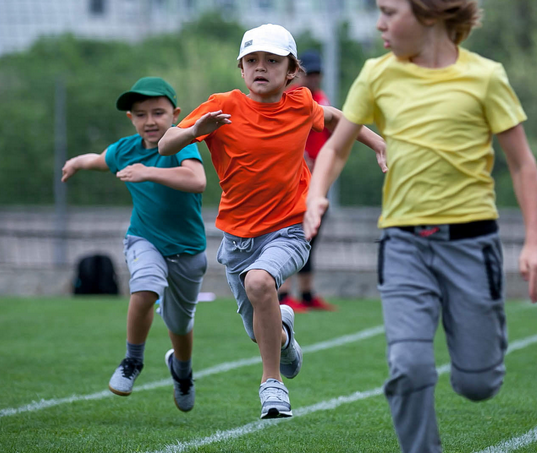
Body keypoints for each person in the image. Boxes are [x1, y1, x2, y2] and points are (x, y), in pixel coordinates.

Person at [303, 0, 537, 451]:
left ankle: (483, 350)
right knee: (409, 367)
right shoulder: (377, 74)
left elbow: (523, 164)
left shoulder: (485, 77)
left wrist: (536, 241)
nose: (380, 24)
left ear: (430, 13)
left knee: (478, 384)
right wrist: (316, 194)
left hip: (472, 245)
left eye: (390, 13)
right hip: (403, 245)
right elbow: (335, 148)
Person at [158, 24, 387, 419]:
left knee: (260, 282)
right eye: (252, 61)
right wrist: (196, 130)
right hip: (238, 240)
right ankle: (283, 338)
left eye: (271, 61)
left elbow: (334, 119)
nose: (260, 67)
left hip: (291, 228)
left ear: (291, 71)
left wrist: (379, 143)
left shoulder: (300, 105)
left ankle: (272, 386)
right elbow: (165, 144)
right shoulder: (223, 105)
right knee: (258, 329)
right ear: (242, 69)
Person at [61, 77, 208, 412]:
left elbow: (197, 180)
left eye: (158, 112)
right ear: (131, 119)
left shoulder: (181, 143)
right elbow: (98, 159)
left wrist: (149, 172)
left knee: (180, 324)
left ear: (175, 114)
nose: (150, 121)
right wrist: (77, 163)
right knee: (145, 287)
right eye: (140, 114)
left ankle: (182, 374)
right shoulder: (125, 150)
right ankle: (132, 361)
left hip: (188, 250)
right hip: (144, 239)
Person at [278, 49, 338, 312]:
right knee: (294, 233)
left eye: (316, 73)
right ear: (297, 73)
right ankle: (283, 294)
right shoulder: (292, 98)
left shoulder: (321, 98)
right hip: (297, 179)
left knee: (311, 236)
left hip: (318, 180)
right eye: (308, 73)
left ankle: (306, 293)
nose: (313, 78)